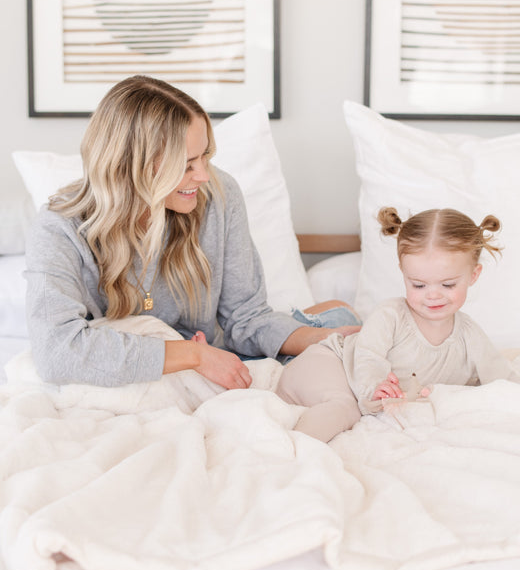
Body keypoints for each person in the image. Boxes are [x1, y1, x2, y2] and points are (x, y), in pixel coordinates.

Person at [24, 75, 360, 389]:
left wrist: (319, 339)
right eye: (186, 165)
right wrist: (193, 355)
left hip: (216, 361)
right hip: (140, 376)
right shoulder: (60, 228)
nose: (202, 175)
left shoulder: (217, 195)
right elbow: (56, 352)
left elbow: (245, 318)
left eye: (206, 157)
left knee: (340, 322)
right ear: (132, 168)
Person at [276, 207, 518, 443]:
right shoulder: (391, 315)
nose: (433, 295)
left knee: (348, 406)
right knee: (345, 409)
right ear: (403, 273)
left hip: (348, 385)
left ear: (473, 275)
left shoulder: (469, 335)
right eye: (419, 285)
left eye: (447, 285)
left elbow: (502, 378)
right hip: (327, 363)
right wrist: (374, 387)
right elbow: (369, 356)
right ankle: (293, 451)